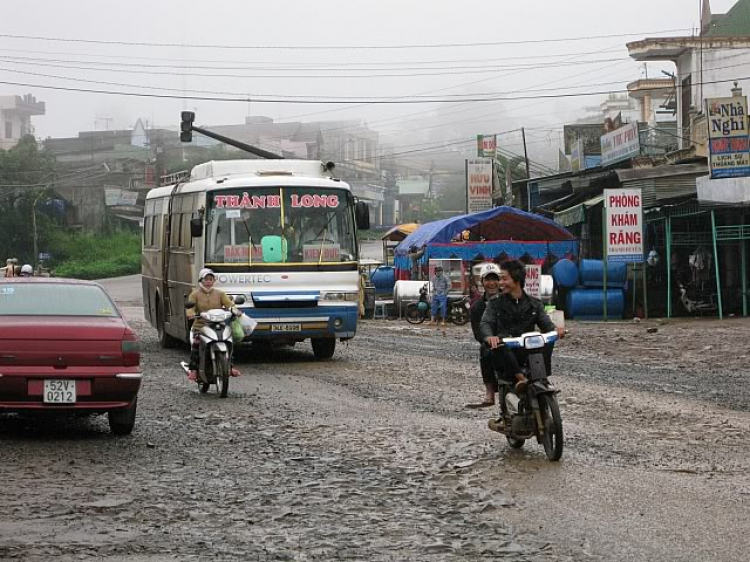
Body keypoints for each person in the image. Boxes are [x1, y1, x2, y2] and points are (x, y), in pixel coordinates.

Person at [480, 260, 565, 395]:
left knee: (548, 340)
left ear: (517, 279)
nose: (500, 283)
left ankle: (543, 378)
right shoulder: (495, 303)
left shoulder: (535, 304)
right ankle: (522, 380)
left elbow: (546, 324)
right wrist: (490, 336)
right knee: (498, 346)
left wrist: (556, 330)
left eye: (504, 278)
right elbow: (486, 323)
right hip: (506, 351)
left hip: (528, 349)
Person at [186, 268, 243, 382]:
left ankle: (229, 366)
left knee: (229, 341)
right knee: (196, 345)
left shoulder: (220, 293)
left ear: (214, 280)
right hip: (201, 326)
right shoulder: (195, 294)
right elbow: (190, 308)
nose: (208, 281)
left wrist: (235, 310)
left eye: (210, 279)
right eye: (206, 279)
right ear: (201, 280)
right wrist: (191, 314)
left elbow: (229, 304)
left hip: (218, 325)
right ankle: (193, 370)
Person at [466, 263, 502, 409]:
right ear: (482, 282)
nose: (492, 283)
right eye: (488, 280)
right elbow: (478, 332)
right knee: (485, 351)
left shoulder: (509, 300)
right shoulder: (476, 308)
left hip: (510, 338)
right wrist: (488, 339)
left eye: (495, 279)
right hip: (490, 341)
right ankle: (490, 392)